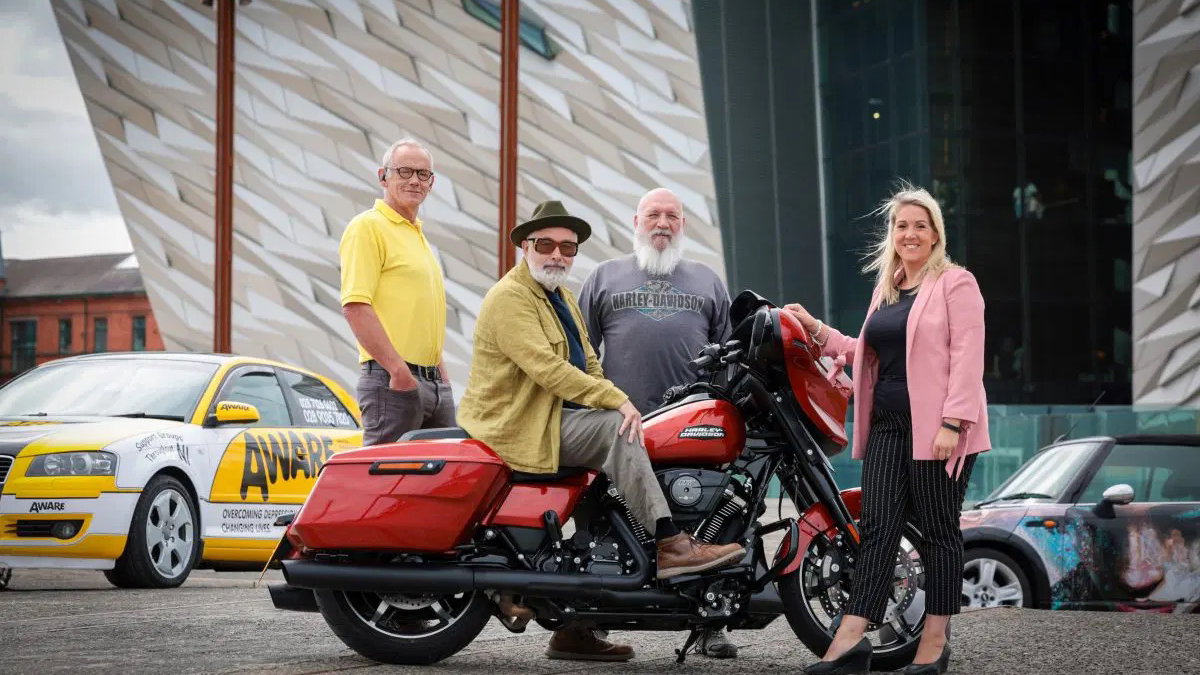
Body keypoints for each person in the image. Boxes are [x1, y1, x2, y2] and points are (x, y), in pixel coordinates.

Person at [457, 200, 745, 662]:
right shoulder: (511, 297)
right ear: (525, 246)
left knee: (604, 511)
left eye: (567, 247)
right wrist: (616, 401)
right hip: (522, 424)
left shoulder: (561, 296)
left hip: (558, 418)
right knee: (615, 429)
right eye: (546, 244)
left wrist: (612, 394)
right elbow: (547, 368)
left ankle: (576, 629)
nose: (557, 254)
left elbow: (590, 362)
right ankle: (671, 544)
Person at [785, 185, 989, 675]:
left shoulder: (956, 283)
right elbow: (867, 355)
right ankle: (850, 641)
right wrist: (817, 330)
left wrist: (952, 422)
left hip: (938, 428)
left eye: (920, 225)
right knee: (876, 529)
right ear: (892, 234)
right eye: (901, 225)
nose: (910, 233)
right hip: (888, 426)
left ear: (935, 234)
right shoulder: (888, 291)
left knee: (938, 531)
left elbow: (968, 357)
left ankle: (934, 645)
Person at [579, 187, 737, 658]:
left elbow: (728, 356)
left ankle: (711, 625)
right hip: (619, 426)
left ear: (683, 224)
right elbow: (580, 353)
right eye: (653, 214)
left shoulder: (708, 281)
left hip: (695, 427)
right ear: (636, 222)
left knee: (708, 521)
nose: (662, 223)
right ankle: (582, 627)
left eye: (672, 215)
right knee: (601, 524)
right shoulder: (603, 277)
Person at [340, 138, 453, 446]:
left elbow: (424, 318)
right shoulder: (368, 227)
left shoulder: (418, 235)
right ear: (383, 177)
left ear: (431, 183)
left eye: (422, 174)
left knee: (443, 474)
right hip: (393, 382)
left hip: (434, 386)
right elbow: (355, 306)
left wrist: (442, 379)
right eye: (404, 171)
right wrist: (398, 372)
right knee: (388, 475)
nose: (414, 180)